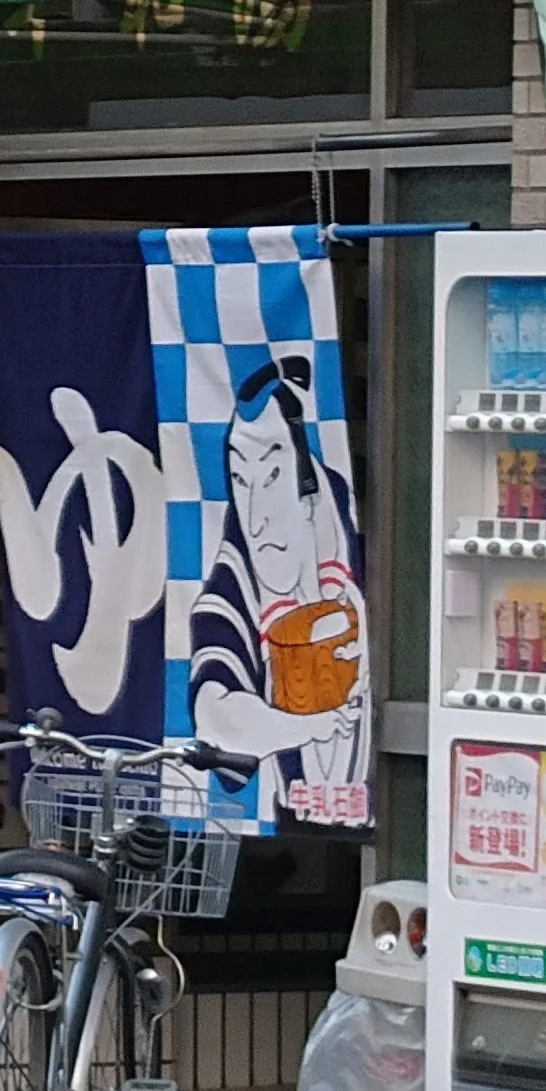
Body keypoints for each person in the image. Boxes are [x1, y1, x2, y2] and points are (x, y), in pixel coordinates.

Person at [186, 352, 370, 828]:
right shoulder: (231, 588)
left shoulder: (348, 524)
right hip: (295, 806)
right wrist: (306, 725)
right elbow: (213, 715)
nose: (256, 513)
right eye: (240, 479)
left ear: (306, 476)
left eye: (271, 475)